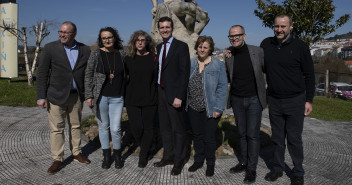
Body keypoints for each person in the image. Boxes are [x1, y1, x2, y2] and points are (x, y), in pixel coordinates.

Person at [260, 14, 315, 185]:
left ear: (291, 26)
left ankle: (298, 172)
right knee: (277, 138)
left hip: (295, 100)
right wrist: (233, 52)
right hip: (275, 100)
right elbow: (255, 62)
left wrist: (309, 100)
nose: (279, 29)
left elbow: (309, 75)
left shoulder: (301, 47)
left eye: (283, 26)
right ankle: (277, 168)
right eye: (277, 26)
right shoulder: (266, 44)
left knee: (294, 139)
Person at [36, 21, 91, 174]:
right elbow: (42, 74)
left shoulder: (85, 49)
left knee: (75, 126)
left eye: (66, 32)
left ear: (74, 34)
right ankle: (57, 159)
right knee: (57, 129)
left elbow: (90, 72)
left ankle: (77, 152)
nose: (62, 34)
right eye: (60, 32)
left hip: (76, 96)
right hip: (56, 96)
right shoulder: (50, 48)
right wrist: (41, 96)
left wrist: (89, 94)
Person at [225, 25, 266, 184]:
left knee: (252, 134)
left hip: (254, 99)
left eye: (237, 35)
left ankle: (252, 169)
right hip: (237, 99)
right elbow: (228, 76)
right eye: (231, 36)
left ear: (244, 36)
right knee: (241, 133)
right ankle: (243, 162)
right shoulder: (228, 54)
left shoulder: (258, 52)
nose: (234, 38)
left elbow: (267, 70)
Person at [152, 16, 190, 176]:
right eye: (162, 27)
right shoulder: (159, 46)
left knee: (178, 129)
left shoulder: (181, 46)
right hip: (161, 92)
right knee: (165, 128)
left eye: (167, 27)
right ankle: (168, 156)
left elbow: (184, 72)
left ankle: (179, 160)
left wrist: (179, 96)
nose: (164, 30)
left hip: (174, 95)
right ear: (159, 29)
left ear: (171, 28)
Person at [84, 27, 125, 169]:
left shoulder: (121, 53)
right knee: (103, 127)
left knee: (116, 128)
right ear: (101, 40)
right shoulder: (96, 54)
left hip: (117, 97)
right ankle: (107, 156)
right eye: (104, 38)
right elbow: (88, 75)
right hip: (101, 96)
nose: (107, 40)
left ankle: (118, 155)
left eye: (109, 37)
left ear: (115, 38)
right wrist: (88, 95)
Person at [186, 36, 227, 177]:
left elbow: (222, 87)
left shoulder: (217, 64)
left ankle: (210, 163)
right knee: (197, 136)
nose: (202, 49)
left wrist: (218, 108)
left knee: (209, 137)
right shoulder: (191, 63)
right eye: (200, 46)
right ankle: (198, 160)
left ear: (210, 49)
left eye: (205, 47)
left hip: (210, 107)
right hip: (193, 107)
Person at [124, 30, 158, 168]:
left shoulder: (154, 58)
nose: (140, 42)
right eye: (137, 40)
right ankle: (148, 146)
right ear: (133, 42)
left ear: (147, 42)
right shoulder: (128, 59)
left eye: (143, 40)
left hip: (150, 98)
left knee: (148, 128)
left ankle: (143, 155)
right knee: (137, 128)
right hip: (132, 98)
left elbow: (157, 78)